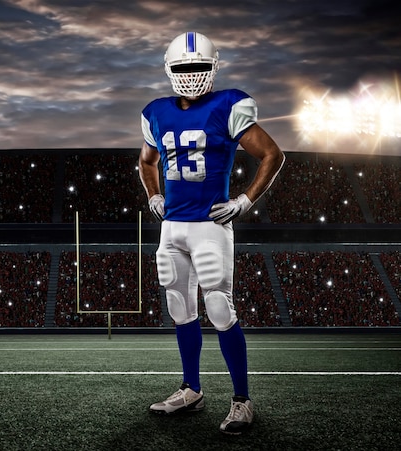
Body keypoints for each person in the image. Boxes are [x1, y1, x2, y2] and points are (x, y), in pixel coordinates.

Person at [138, 31, 284, 435]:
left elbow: (273, 154)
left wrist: (244, 200)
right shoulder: (156, 111)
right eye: (183, 67)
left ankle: (241, 400)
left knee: (220, 309)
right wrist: (154, 194)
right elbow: (146, 162)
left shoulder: (229, 104)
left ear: (214, 68)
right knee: (179, 307)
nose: (190, 75)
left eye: (199, 67)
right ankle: (191, 389)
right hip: (173, 227)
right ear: (169, 70)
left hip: (211, 225)